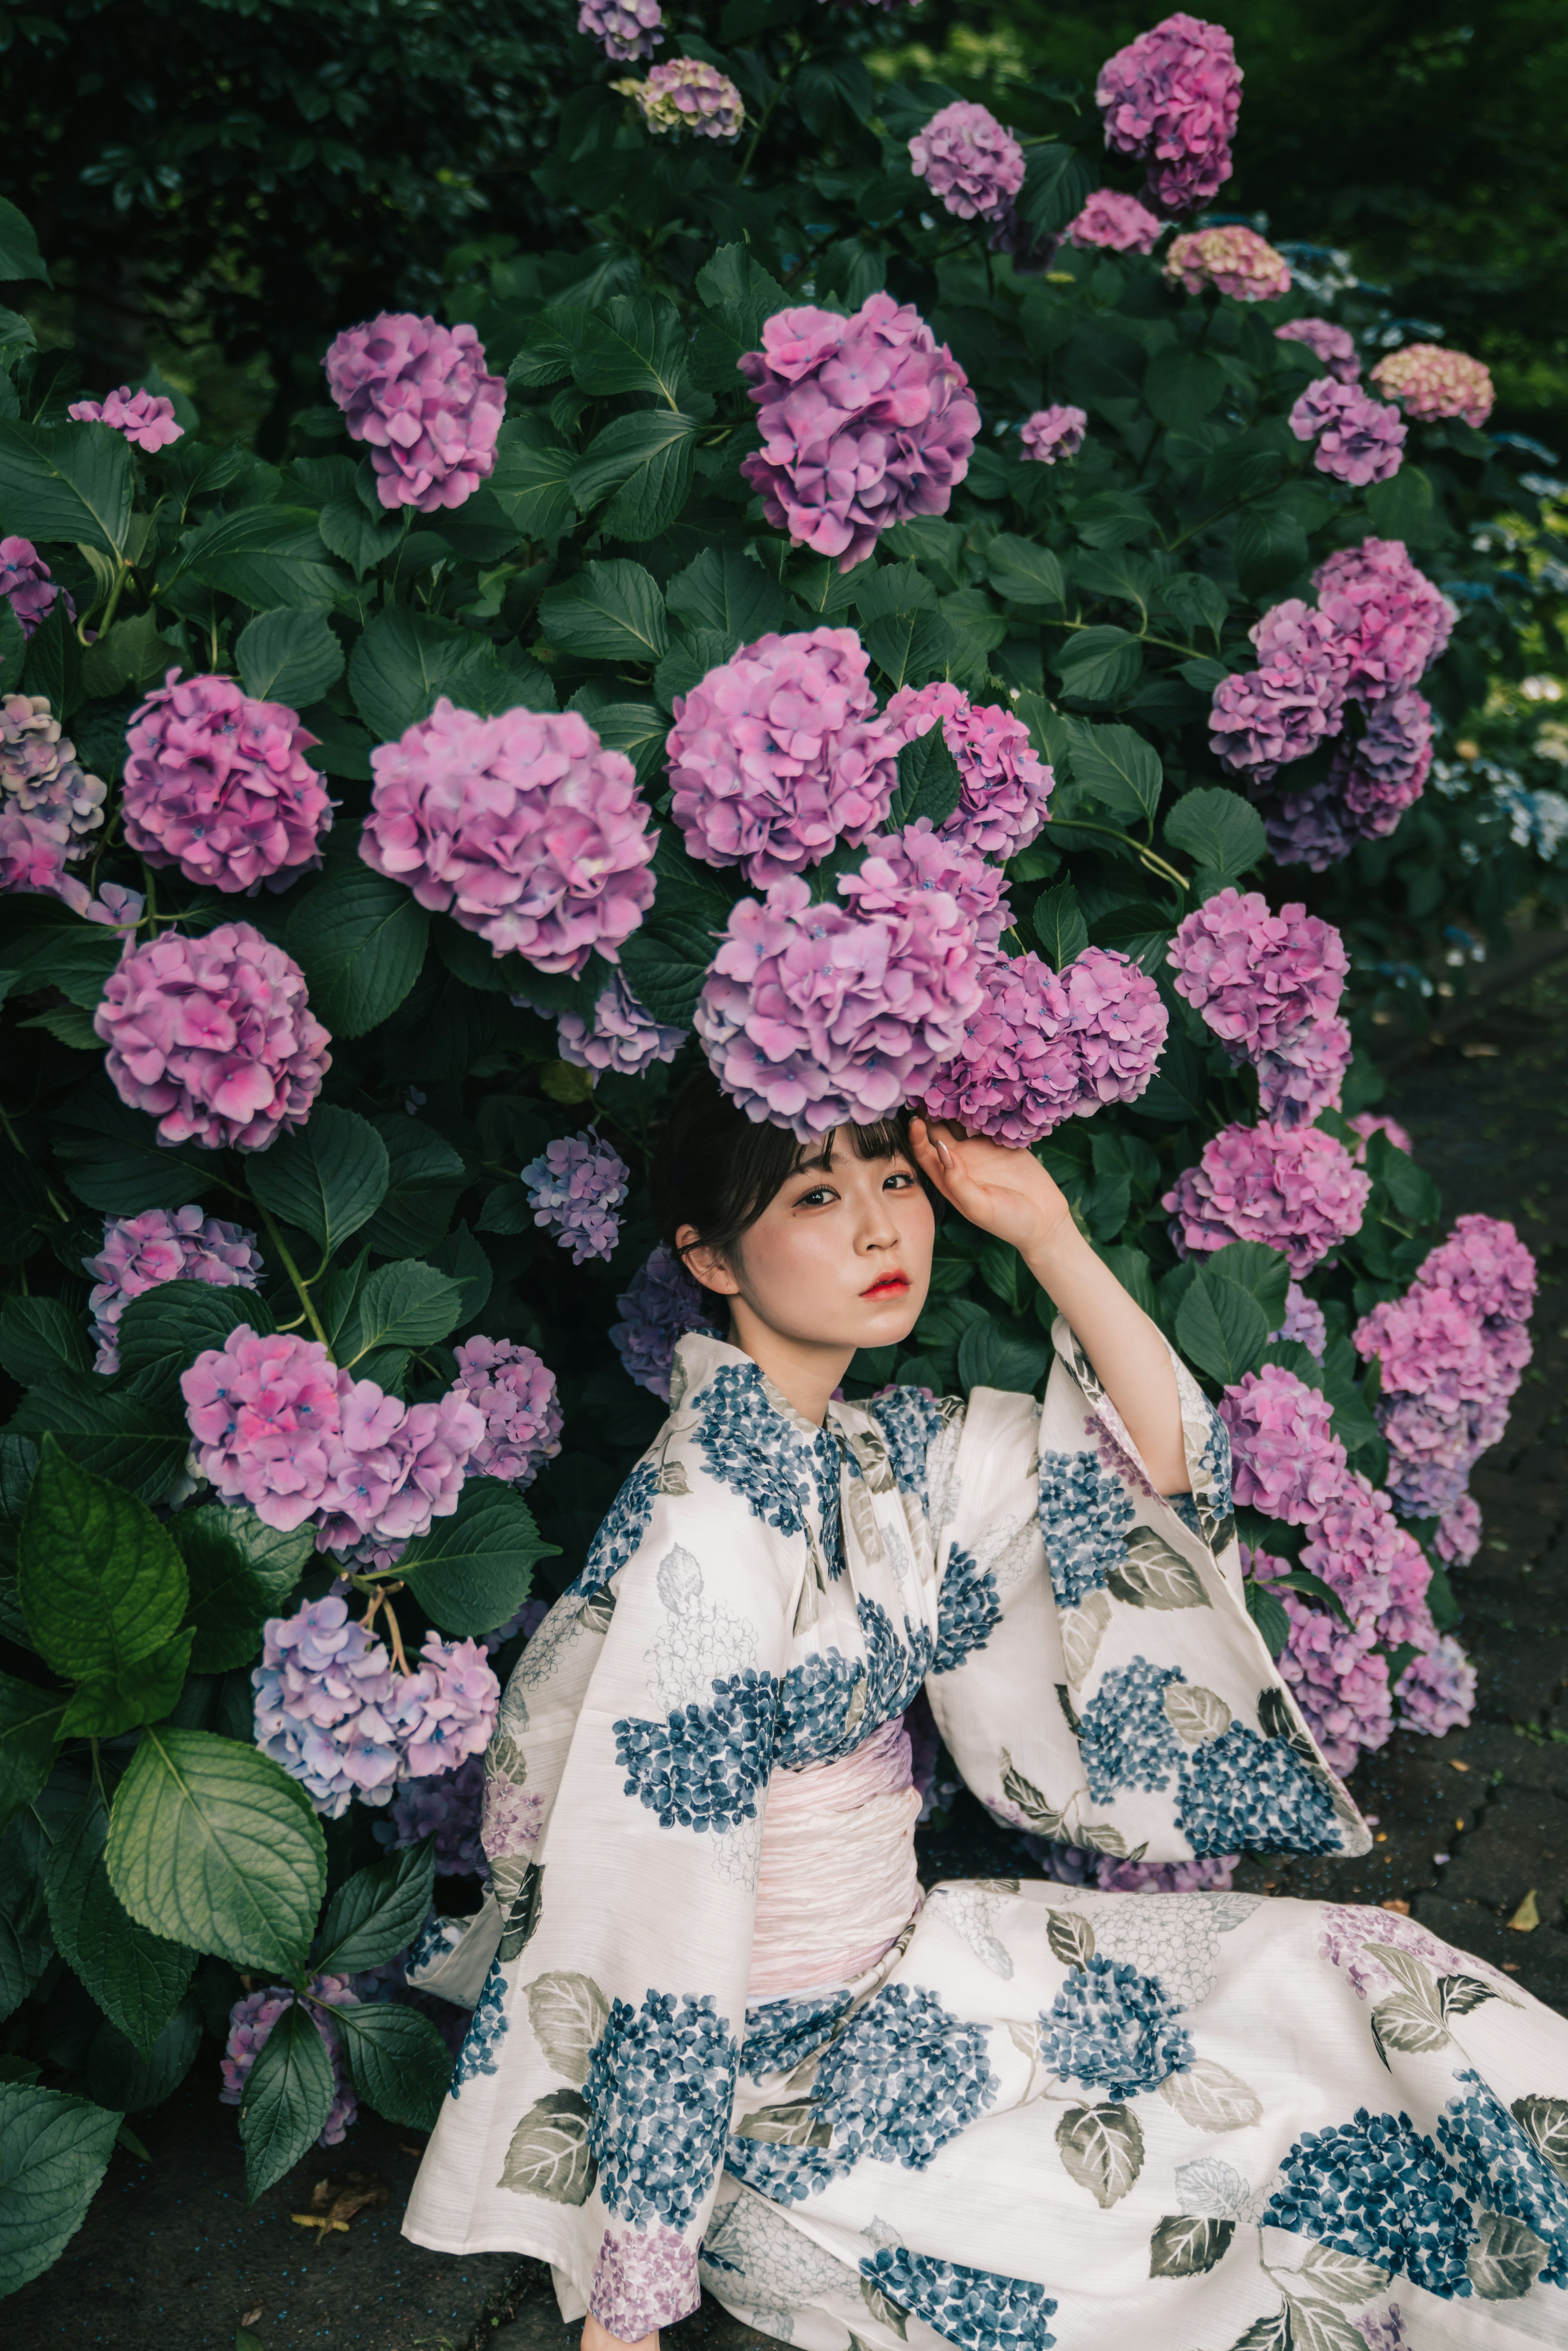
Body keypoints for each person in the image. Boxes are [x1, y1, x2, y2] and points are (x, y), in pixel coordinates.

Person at [403, 1072, 1568, 2349]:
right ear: (709, 1256)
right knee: (1228, 2225)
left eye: (892, 1182)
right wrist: (627, 2305)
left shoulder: (878, 1454)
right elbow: (659, 1916)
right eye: (815, 1194)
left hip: (917, 1974)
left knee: (1349, 1983)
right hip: (779, 2103)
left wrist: (1050, 1235)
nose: (876, 1229)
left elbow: (1149, 1473)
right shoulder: (707, 1529)